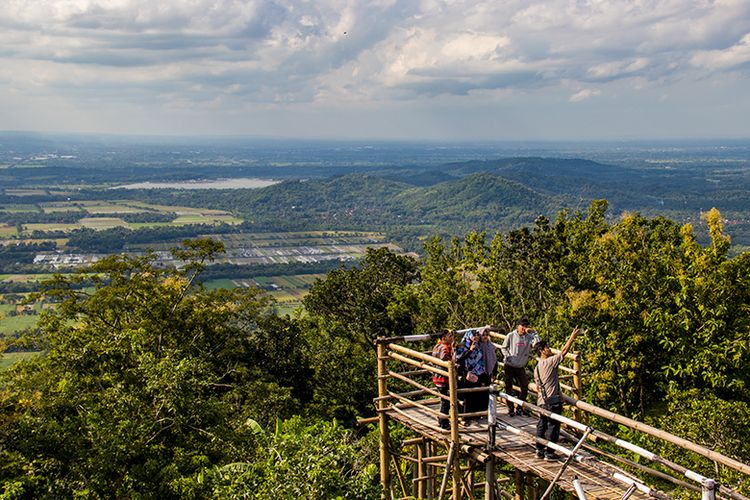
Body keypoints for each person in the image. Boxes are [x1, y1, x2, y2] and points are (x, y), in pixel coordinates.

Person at [533, 327, 581, 460]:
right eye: (547, 347)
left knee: (542, 424)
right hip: (553, 400)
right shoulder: (550, 362)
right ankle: (550, 452)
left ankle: (539, 449)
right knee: (553, 426)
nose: (550, 349)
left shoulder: (537, 368)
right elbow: (564, 352)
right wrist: (572, 337)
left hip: (541, 401)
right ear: (542, 351)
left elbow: (537, 387)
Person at [500, 318, 540, 416]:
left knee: (524, 387)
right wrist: (508, 357)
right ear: (518, 326)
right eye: (523, 326)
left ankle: (519, 407)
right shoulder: (511, 335)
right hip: (509, 365)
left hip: (520, 366)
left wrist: (534, 333)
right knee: (509, 387)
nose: (524, 328)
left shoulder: (529, 337)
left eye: (526, 326)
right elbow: (503, 347)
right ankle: (510, 408)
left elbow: (537, 344)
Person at [456, 326, 497, 418]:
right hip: (467, 373)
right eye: (474, 335)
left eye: (477, 335)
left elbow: (483, 359)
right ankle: (466, 416)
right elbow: (459, 359)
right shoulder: (462, 346)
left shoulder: (478, 346)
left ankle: (477, 414)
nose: (476, 337)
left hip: (479, 372)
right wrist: (470, 351)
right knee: (468, 395)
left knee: (477, 394)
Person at [431, 329, 455, 429]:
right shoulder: (444, 348)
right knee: (446, 401)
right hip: (443, 377)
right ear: (444, 338)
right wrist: (451, 357)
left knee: (444, 400)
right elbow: (444, 357)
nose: (452, 338)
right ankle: (443, 422)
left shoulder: (437, 346)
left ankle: (442, 419)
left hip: (437, 376)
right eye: (450, 336)